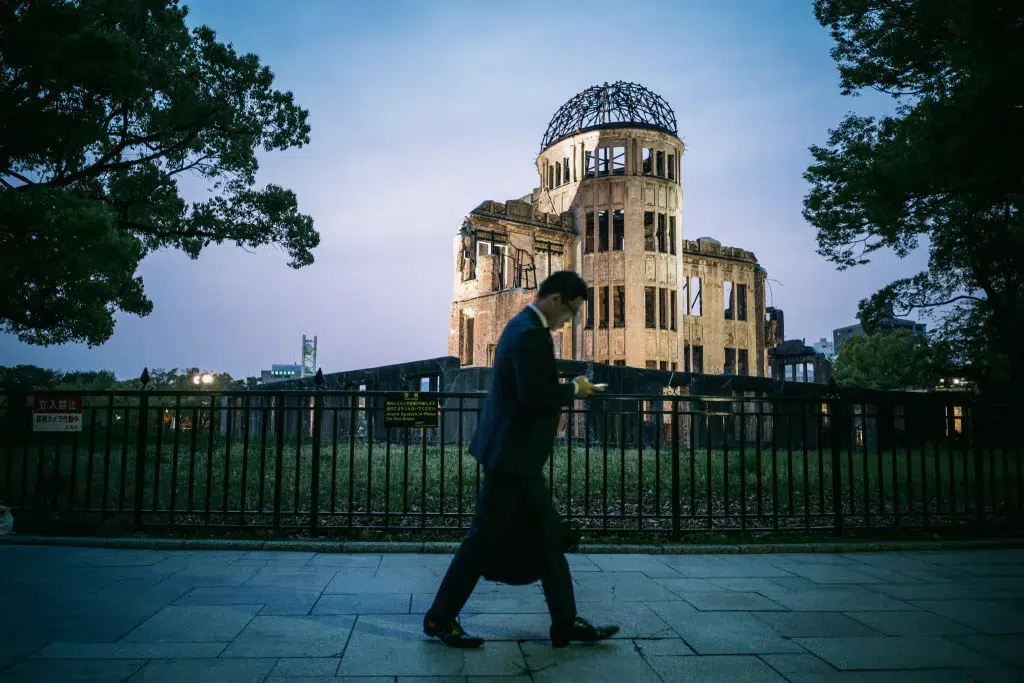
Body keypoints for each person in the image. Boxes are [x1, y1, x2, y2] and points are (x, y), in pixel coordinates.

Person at [423, 270, 620, 649]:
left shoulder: (521, 327)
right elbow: (533, 395)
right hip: (512, 460)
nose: (571, 320)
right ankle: (439, 618)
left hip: (515, 459)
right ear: (557, 299)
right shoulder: (529, 334)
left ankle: (564, 622)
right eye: (573, 311)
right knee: (482, 543)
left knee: (546, 540)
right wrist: (573, 389)